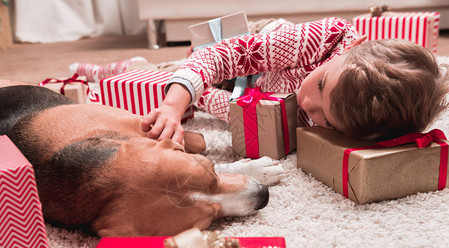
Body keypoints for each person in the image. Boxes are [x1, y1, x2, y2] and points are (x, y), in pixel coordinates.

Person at [141, 17, 449, 145]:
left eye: (325, 119)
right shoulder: (330, 36)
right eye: (320, 86)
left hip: (253, 89)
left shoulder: (351, 122)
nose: (307, 104)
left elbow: (236, 111)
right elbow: (230, 54)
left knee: (167, 77)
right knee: (190, 67)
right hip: (259, 44)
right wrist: (172, 106)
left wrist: (204, 96)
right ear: (352, 48)